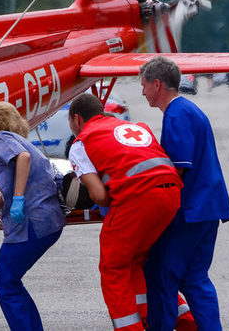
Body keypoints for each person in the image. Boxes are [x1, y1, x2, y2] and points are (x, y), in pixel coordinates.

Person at [67, 93, 182, 331]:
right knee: (135, 261)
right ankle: (174, 321)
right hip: (171, 194)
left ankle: (130, 327)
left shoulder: (81, 143)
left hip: (138, 198)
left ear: (77, 119)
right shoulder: (133, 126)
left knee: (113, 267)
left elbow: (99, 196)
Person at [139, 56, 229, 331]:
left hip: (190, 212)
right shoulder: (190, 110)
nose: (142, 92)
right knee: (194, 278)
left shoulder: (177, 115)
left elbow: (177, 170)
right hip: (209, 208)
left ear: (157, 84)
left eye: (144, 85)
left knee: (162, 275)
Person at [0, 102, 65, 331]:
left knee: (5, 283)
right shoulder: (21, 141)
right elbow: (11, 188)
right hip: (49, 223)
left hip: (32, 224)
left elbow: (23, 159)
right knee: (11, 282)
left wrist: (18, 200)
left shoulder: (2, 139)